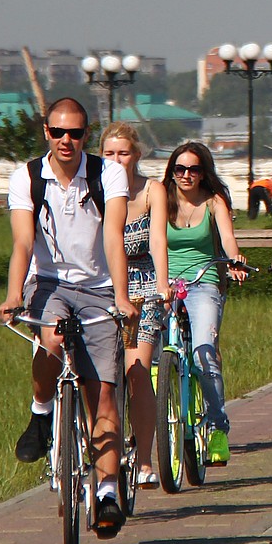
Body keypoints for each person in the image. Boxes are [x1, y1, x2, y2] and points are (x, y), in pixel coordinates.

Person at [0, 98, 135, 537]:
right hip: (49, 284)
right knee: (51, 341)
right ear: (46, 133)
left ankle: (109, 492)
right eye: (58, 132)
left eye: (75, 133)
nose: (66, 141)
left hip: (97, 289)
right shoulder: (27, 177)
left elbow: (114, 236)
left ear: (86, 135)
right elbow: (22, 241)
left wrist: (123, 296)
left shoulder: (106, 174)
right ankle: (41, 412)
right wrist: (14, 295)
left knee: (103, 398)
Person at [164, 141, 249, 465]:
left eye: (194, 169)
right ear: (171, 172)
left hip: (204, 283)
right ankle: (160, 419)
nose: (186, 175)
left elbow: (227, 238)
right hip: (164, 286)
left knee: (203, 353)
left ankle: (217, 429)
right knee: (152, 359)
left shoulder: (214, 201)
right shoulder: (162, 198)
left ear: (204, 172)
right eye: (180, 169)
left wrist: (234, 259)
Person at [100, 121, 170, 490]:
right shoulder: (95, 191)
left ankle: (144, 460)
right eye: (108, 153)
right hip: (104, 288)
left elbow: (158, 240)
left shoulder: (151, 191)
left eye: (123, 153)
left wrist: (162, 283)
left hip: (143, 287)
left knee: (137, 370)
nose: (115, 159)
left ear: (136, 155)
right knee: (99, 378)